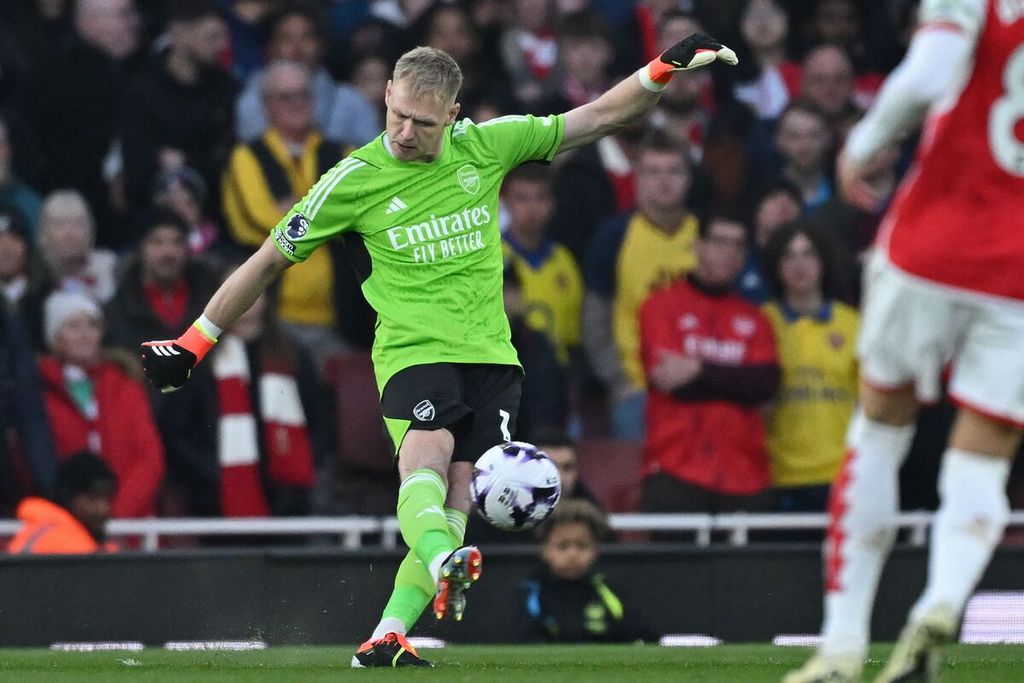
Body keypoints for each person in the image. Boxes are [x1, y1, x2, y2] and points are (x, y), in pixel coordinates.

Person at [138, 38, 738, 668]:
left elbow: (598, 117)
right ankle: (436, 562)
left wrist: (660, 69)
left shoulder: (487, 146)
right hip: (413, 352)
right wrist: (193, 342)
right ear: (388, 96)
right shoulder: (353, 180)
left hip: (492, 360)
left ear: (452, 115)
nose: (404, 131)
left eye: (423, 124)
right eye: (397, 114)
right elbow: (264, 264)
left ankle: (389, 631)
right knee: (426, 462)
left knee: (455, 501)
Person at [785, 2, 1024, 681]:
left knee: (880, 432)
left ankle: (841, 646)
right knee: (983, 458)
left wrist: (862, 145)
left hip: (933, 243)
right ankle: (942, 602)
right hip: (1020, 271)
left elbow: (929, 74)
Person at [638, 214, 779, 518]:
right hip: (675, 469)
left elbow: (764, 383)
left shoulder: (756, 318)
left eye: (739, 245)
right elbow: (671, 382)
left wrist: (698, 370)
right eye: (720, 242)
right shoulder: (660, 307)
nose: (729, 252)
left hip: (746, 476)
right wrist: (738, 381)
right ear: (698, 246)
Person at [223, 59, 347, 361]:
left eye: (303, 94)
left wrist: (293, 208)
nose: (297, 104)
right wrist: (325, 215)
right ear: (266, 105)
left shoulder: (343, 154)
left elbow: (357, 219)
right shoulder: (247, 156)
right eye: (285, 97)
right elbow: (260, 217)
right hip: (274, 316)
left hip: (341, 318)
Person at [583, 132, 700, 442]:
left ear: (689, 178)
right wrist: (619, 381)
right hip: (635, 392)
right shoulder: (613, 237)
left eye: (674, 171)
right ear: (637, 177)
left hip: (703, 392)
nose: (664, 181)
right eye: (653, 171)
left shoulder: (707, 236)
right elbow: (595, 319)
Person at [104, 208, 221, 517]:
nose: (168, 252)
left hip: (207, 449)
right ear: (140, 249)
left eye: (176, 242)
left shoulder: (215, 303)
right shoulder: (114, 315)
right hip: (145, 445)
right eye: (157, 242)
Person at [39, 291, 165, 519]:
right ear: (55, 337)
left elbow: (149, 458)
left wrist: (114, 515)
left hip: (129, 523)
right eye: (73, 326)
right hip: (67, 524)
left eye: (92, 325)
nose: (84, 334)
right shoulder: (40, 391)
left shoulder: (124, 384)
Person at [761, 220, 858, 512]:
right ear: (776, 266)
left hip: (839, 474)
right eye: (789, 256)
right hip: (778, 475)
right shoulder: (761, 322)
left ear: (823, 262)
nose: (799, 264)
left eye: (808, 254)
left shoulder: (852, 324)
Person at [120, 0, 237, 216]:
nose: (221, 45)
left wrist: (185, 161)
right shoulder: (142, 90)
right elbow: (136, 162)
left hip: (216, 213)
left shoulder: (227, 89)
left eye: (223, 37)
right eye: (211, 37)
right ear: (179, 33)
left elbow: (230, 162)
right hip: (151, 215)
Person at [234, 1, 379, 147]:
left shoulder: (351, 102)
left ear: (321, 44)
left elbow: (372, 162)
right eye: (287, 38)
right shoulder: (252, 99)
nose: (298, 47)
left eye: (307, 37)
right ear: (271, 46)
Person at [516, 499, 645, 642]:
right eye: (563, 546)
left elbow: (642, 639)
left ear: (595, 549)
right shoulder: (531, 595)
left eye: (582, 546)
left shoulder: (610, 593)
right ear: (545, 550)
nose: (573, 554)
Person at [7, 452, 118, 554]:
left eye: (107, 499)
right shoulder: (67, 545)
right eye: (93, 498)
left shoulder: (42, 532)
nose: (103, 508)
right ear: (68, 496)